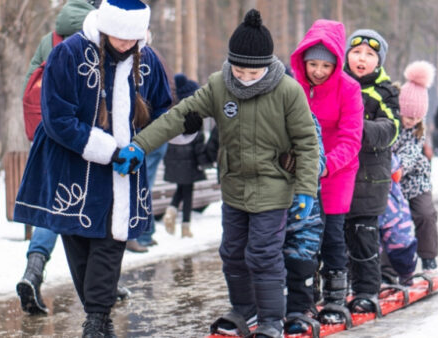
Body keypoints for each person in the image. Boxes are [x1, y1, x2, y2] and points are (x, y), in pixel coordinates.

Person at [113, 9, 319, 337]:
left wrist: (306, 190)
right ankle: (245, 311)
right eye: (239, 70)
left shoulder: (287, 91)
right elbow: (178, 116)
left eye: (253, 72)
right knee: (233, 253)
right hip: (234, 187)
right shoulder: (220, 86)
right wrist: (139, 145)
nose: (245, 78)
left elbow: (308, 144)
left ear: (267, 65)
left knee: (263, 254)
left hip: (273, 187)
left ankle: (271, 321)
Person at [13, 0, 172, 335]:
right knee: (78, 240)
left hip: (124, 171)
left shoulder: (149, 61)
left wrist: (138, 146)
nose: (127, 44)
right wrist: (108, 150)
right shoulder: (68, 54)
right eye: (120, 36)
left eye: (134, 37)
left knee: (111, 241)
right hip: (72, 165)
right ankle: (97, 317)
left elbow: (162, 112)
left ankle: (97, 320)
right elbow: (57, 118)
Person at [15, 0, 96, 316]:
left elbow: (29, 84)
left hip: (50, 135)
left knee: (56, 206)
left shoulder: (50, 39)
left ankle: (33, 271)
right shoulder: (101, 34)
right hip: (87, 138)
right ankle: (100, 285)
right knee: (94, 208)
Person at [289, 19, 364, 326]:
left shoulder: (349, 88)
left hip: (337, 170)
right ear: (303, 61)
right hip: (301, 173)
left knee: (332, 235)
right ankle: (306, 297)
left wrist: (325, 164)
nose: (318, 71)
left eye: (325, 65)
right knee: (303, 237)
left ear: (336, 62)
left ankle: (335, 297)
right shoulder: (293, 86)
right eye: (312, 64)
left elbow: (351, 138)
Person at [343, 29, 400, 314]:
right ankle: (336, 290)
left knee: (364, 239)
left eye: (369, 54)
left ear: (378, 61)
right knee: (334, 240)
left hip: (369, 180)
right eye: (356, 52)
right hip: (337, 178)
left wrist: (357, 128)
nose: (361, 59)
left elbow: (392, 128)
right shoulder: (335, 84)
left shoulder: (385, 91)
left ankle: (366, 290)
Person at [129, 29, 179, 252]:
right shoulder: (157, 57)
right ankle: (145, 232)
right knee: (143, 184)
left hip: (147, 134)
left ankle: (141, 233)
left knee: (141, 184)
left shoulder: (146, 59)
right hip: (158, 132)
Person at [392, 60, 438, 274]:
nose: (412, 121)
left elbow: (411, 152)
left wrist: (399, 166)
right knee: (391, 221)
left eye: (417, 117)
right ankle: (390, 266)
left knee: (425, 214)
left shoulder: (419, 130)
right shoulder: (390, 123)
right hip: (392, 181)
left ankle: (429, 257)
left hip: (416, 179)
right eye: (409, 116)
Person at [281, 113, 326, 335]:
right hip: (270, 206)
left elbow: (319, 160)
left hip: (304, 207)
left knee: (301, 258)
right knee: (267, 261)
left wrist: (295, 163)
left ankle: (299, 309)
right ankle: (270, 310)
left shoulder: (306, 117)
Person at [161, 73, 206, 238]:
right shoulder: (194, 113)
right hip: (190, 159)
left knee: (182, 188)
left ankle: (172, 210)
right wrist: (203, 161)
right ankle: (185, 227)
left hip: (173, 158)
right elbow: (199, 141)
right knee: (188, 191)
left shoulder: (172, 111)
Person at [378, 153, 418, 286]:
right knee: (367, 246)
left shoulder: (387, 154)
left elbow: (395, 169)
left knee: (400, 243)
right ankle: (371, 280)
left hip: (393, 210)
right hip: (369, 208)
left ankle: (406, 275)